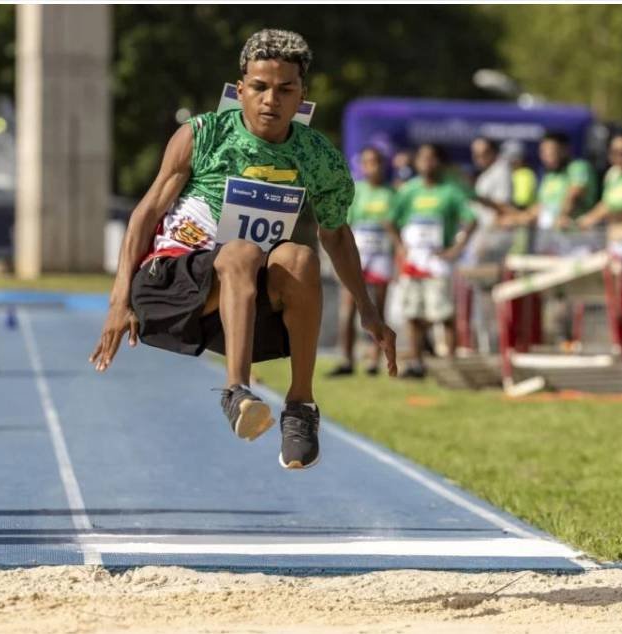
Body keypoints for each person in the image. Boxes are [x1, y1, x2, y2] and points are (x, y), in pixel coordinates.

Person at [90, 29, 396, 470]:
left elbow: (336, 234)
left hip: (241, 301)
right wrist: (119, 301)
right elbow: (145, 213)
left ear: (302, 95)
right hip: (170, 281)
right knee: (243, 252)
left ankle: (301, 407)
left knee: (298, 257)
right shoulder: (204, 134)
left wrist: (367, 308)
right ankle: (237, 392)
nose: (271, 99)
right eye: (260, 87)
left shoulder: (318, 157)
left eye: (285, 89)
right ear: (241, 89)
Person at [390, 143, 477, 378]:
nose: (427, 163)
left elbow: (471, 219)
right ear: (416, 162)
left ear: (439, 162)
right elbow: (389, 219)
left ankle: (450, 364)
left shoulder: (451, 191)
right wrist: (400, 246)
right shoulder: (409, 191)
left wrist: (456, 248)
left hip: (438, 263)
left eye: (432, 158)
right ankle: (417, 363)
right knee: (413, 313)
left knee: (444, 313)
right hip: (413, 262)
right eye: (422, 158)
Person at [327, 147, 395, 377]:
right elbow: (345, 226)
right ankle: (346, 358)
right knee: (349, 307)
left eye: (375, 162)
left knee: (378, 307)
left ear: (382, 165)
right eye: (366, 162)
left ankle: (375, 359)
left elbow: (396, 226)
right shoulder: (355, 191)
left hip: (382, 255)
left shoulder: (391, 194)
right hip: (358, 254)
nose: (371, 167)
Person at [504, 131, 598, 233]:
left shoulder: (578, 167)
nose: (546, 156)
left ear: (564, 150)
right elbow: (542, 205)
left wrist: (562, 215)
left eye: (551, 151)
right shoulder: (549, 176)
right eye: (542, 152)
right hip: (550, 236)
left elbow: (573, 195)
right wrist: (517, 219)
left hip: (574, 234)